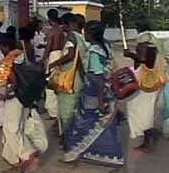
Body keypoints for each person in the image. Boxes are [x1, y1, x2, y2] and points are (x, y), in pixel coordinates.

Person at [63, 21, 124, 167]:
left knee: (82, 122)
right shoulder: (106, 46)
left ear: (91, 33)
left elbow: (99, 77)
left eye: (86, 31)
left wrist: (101, 100)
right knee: (103, 124)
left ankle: (74, 153)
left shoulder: (94, 52)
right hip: (106, 91)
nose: (84, 34)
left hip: (95, 92)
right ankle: (110, 155)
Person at [0, 32, 42, 171]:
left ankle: (24, 156)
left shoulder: (9, 59)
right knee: (20, 126)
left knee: (10, 128)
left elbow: (13, 81)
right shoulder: (23, 53)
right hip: (27, 95)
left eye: (1, 46)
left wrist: (7, 93)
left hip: (16, 96)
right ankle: (17, 158)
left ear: (6, 46)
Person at [124, 16, 167, 152]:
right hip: (156, 79)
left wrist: (130, 54)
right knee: (148, 110)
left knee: (143, 111)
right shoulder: (154, 40)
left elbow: (143, 59)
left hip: (148, 82)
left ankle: (148, 141)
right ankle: (147, 140)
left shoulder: (144, 41)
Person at [49, 13, 87, 136]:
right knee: (75, 107)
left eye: (63, 24)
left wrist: (54, 63)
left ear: (68, 24)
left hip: (69, 77)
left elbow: (70, 55)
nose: (62, 26)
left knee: (66, 110)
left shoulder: (71, 37)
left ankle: (67, 137)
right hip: (78, 77)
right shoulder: (81, 37)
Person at [41, 9, 65, 120]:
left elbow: (48, 47)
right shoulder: (61, 31)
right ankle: (58, 109)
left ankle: (53, 111)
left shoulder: (52, 31)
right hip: (60, 54)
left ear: (50, 19)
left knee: (50, 83)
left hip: (53, 56)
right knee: (58, 81)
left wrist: (42, 59)